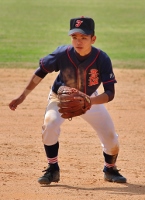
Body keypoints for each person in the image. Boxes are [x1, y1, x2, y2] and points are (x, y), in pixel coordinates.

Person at [9, 16, 127, 184]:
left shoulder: (102, 59)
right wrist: (22, 96)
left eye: (84, 37)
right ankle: (52, 169)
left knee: (110, 137)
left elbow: (110, 93)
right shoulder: (62, 54)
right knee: (49, 125)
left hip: (91, 98)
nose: (78, 41)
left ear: (93, 38)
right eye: (74, 37)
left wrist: (88, 101)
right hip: (60, 98)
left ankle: (110, 169)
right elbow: (41, 71)